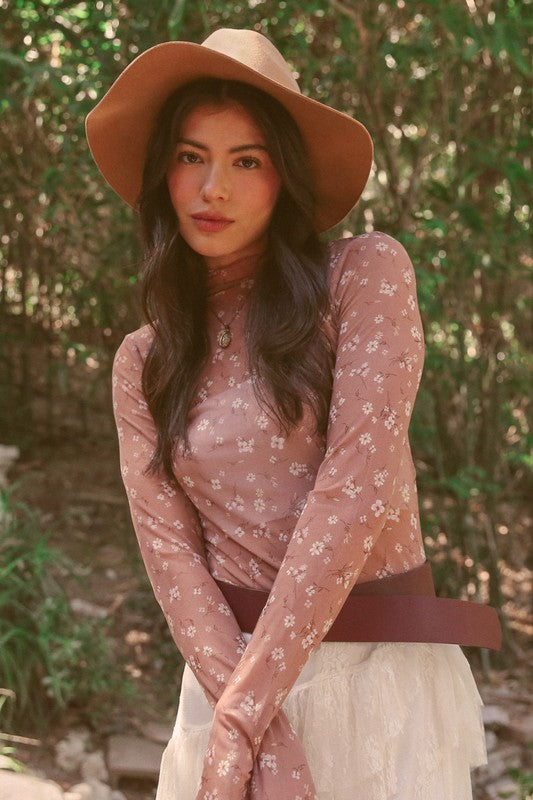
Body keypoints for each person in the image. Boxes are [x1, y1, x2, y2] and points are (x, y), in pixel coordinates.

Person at [86, 27, 500, 800]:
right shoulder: (144, 360)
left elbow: (355, 489)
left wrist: (247, 718)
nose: (213, 187)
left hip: (371, 685)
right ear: (162, 172)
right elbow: (173, 561)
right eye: (190, 156)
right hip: (222, 685)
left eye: (247, 161)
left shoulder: (362, 276)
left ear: (285, 176)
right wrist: (245, 728)